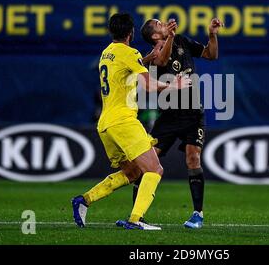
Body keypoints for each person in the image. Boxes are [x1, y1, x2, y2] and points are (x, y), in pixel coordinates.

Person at [71, 13, 190, 230]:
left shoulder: (106, 53)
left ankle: (84, 200)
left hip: (105, 124)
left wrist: (146, 59)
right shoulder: (130, 52)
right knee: (155, 169)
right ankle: (135, 220)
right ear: (131, 33)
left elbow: (123, 73)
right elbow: (150, 86)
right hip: (123, 121)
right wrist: (175, 85)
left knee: (132, 173)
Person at [117, 17, 222, 229]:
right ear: (155, 35)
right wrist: (171, 37)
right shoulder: (154, 54)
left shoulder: (182, 41)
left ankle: (197, 214)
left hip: (193, 114)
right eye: (159, 23)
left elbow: (211, 55)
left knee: (193, 159)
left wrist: (212, 35)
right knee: (146, 164)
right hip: (169, 117)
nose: (164, 23)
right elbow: (162, 61)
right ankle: (137, 216)